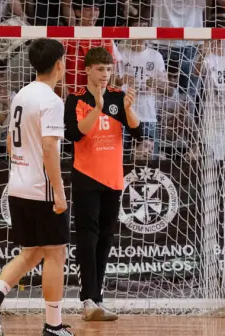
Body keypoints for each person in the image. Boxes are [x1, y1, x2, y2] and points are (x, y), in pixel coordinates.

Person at [0, 38, 72, 336]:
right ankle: (53, 326)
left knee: (32, 253)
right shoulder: (51, 100)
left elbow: (8, 144)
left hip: (18, 185)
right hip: (41, 188)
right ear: (59, 65)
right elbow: (50, 149)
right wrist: (59, 192)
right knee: (55, 254)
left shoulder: (21, 95)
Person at [64, 46, 142, 321]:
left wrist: (129, 110)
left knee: (106, 238)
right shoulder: (76, 99)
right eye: (100, 69)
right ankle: (88, 299)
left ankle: (97, 299)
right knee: (88, 237)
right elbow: (75, 134)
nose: (105, 74)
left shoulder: (118, 97)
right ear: (87, 70)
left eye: (109, 69)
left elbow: (139, 133)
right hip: (86, 176)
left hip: (113, 178)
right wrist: (97, 108)